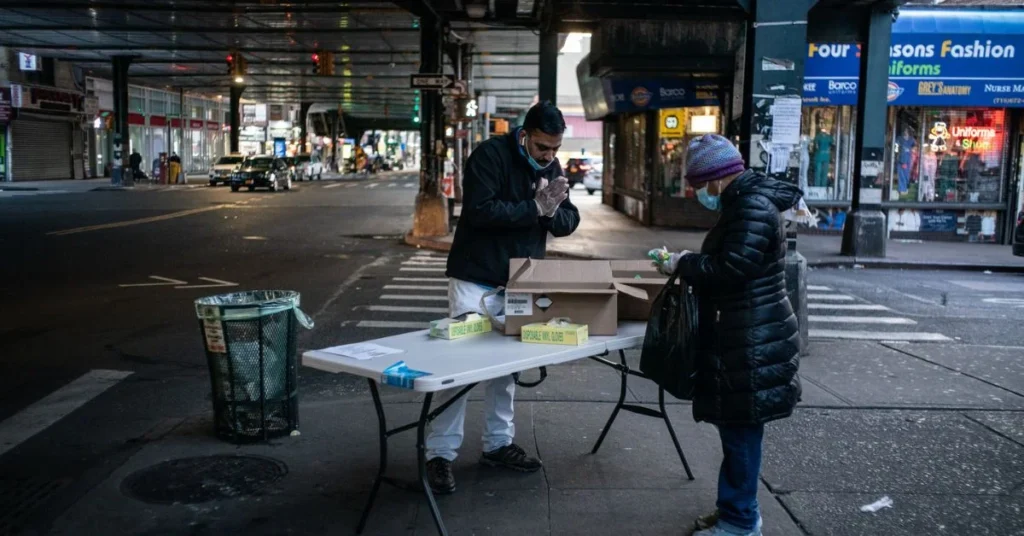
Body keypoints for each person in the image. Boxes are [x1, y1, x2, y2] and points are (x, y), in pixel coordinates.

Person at [650, 134, 801, 536]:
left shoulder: (749, 205)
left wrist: (684, 263)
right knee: (739, 432)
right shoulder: (745, 202)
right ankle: (737, 508)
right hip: (747, 332)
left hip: (752, 338)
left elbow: (734, 267)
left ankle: (740, 522)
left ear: (717, 178)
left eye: (700, 185)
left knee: (741, 434)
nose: (700, 193)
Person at [431, 101, 580, 494]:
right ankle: (439, 455)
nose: (549, 157)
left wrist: (550, 213)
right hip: (476, 278)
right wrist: (534, 207)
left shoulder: (551, 168)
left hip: (520, 283)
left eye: (555, 149)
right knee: (459, 369)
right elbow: (479, 212)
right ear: (525, 135)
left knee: (506, 370)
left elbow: (567, 220)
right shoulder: (489, 156)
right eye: (542, 148)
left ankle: (498, 443)